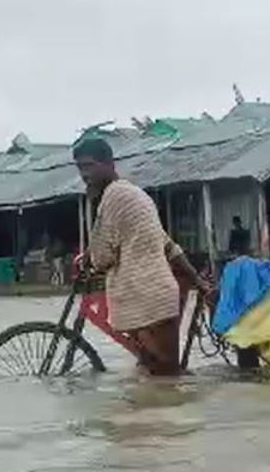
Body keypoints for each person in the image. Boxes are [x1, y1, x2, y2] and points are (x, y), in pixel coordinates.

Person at [74, 137, 212, 376]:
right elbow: (168, 245)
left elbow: (103, 257)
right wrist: (196, 280)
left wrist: (90, 258)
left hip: (145, 296)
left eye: (89, 166)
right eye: (80, 168)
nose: (85, 174)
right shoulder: (134, 194)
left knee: (165, 377)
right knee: (160, 374)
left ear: (109, 163)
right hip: (153, 293)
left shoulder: (113, 198)